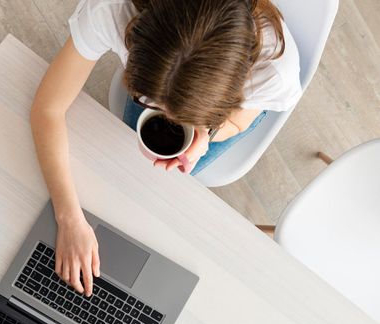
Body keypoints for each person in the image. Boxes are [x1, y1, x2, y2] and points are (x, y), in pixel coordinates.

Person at [30, 0, 301, 296]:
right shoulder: (111, 9)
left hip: (230, 110)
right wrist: (68, 218)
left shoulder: (273, 71)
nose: (167, 120)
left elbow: (238, 122)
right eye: (148, 98)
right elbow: (48, 108)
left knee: (164, 186)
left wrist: (208, 133)